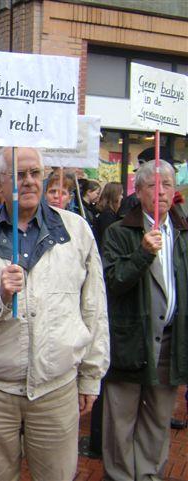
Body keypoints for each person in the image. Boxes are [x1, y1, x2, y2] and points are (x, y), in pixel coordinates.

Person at [0, 146, 109, 481]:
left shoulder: (76, 231)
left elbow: (94, 309)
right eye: (19, 175)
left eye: (36, 173)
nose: (31, 181)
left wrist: (91, 375)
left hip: (57, 390)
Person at [101, 159, 188, 481]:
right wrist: (142, 254)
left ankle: (149, 476)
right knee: (120, 427)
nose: (162, 191)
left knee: (157, 424)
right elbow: (112, 282)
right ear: (138, 192)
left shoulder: (183, 231)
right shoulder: (119, 232)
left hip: (169, 345)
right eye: (154, 184)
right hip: (129, 344)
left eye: (167, 184)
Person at [94, 182, 123, 250]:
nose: (122, 197)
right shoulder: (108, 215)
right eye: (121, 194)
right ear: (114, 196)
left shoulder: (105, 212)